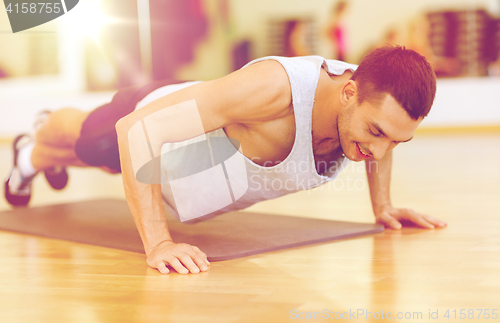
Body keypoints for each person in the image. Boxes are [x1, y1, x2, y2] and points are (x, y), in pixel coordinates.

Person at [5, 46, 447, 275]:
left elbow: (381, 140)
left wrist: (383, 206)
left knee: (109, 164)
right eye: (375, 133)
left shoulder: (368, 105)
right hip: (156, 119)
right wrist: (159, 243)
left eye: (396, 142)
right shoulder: (274, 90)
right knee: (89, 143)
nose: (380, 150)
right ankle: (35, 144)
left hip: (192, 168)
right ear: (348, 93)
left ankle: (35, 155)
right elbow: (135, 131)